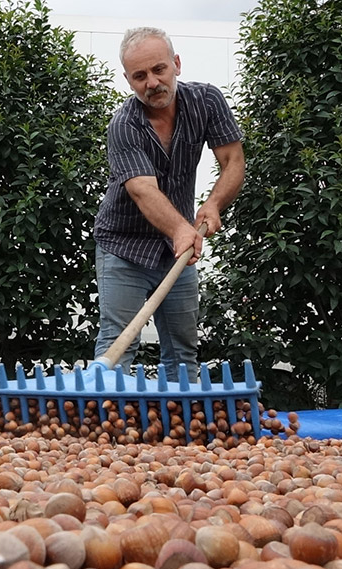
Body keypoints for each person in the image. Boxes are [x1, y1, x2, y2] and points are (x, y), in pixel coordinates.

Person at [93, 26, 245, 383]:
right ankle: (107, 430)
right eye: (140, 75)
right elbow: (143, 190)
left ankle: (182, 430)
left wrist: (213, 204)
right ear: (129, 80)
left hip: (176, 249)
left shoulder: (206, 102)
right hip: (123, 246)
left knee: (182, 350)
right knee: (117, 347)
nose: (152, 82)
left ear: (176, 64)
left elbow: (233, 160)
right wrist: (181, 229)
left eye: (159, 69)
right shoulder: (124, 125)